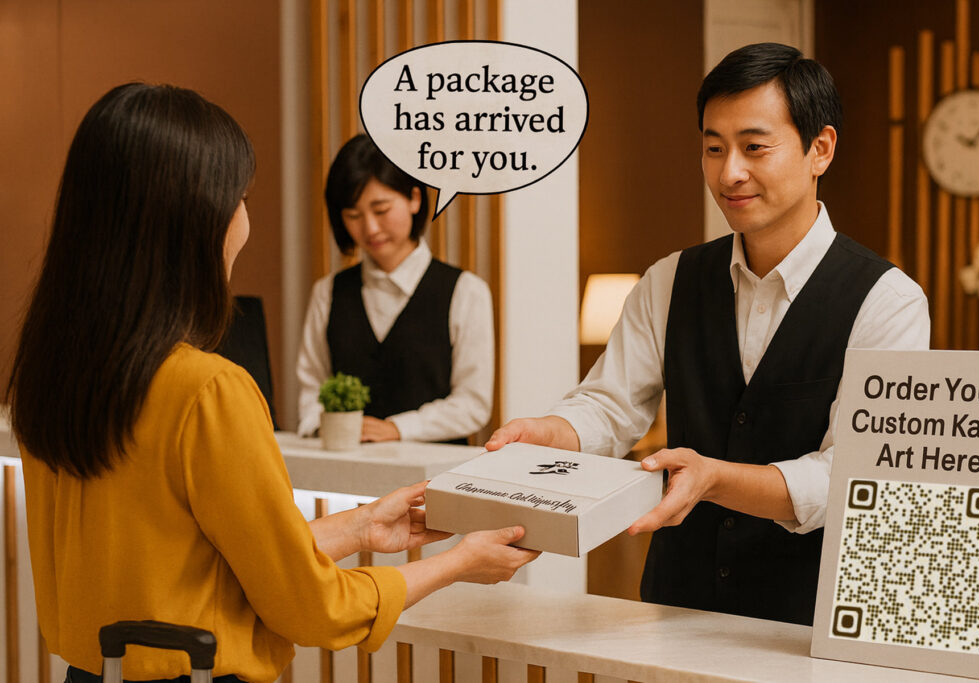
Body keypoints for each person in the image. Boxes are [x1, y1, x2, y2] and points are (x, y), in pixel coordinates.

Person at [4, 83, 537, 683]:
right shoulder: (209, 391)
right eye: (241, 197)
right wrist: (458, 562)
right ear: (197, 219)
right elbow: (313, 609)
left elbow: (192, 560)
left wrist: (358, 526)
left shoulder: (49, 381)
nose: (245, 219)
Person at [486, 43, 930, 626]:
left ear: (819, 149)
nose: (729, 173)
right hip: (675, 607)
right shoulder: (670, 280)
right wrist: (554, 431)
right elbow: (611, 405)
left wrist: (716, 479)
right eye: (713, 148)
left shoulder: (888, 301)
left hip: (808, 625)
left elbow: (852, 474)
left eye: (754, 147)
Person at [296, 134, 493, 443]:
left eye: (381, 209)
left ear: (414, 198)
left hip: (436, 478)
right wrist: (321, 426)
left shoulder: (466, 291)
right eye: (353, 215)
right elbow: (312, 388)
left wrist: (398, 429)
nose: (370, 228)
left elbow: (473, 404)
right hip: (349, 480)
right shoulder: (328, 292)